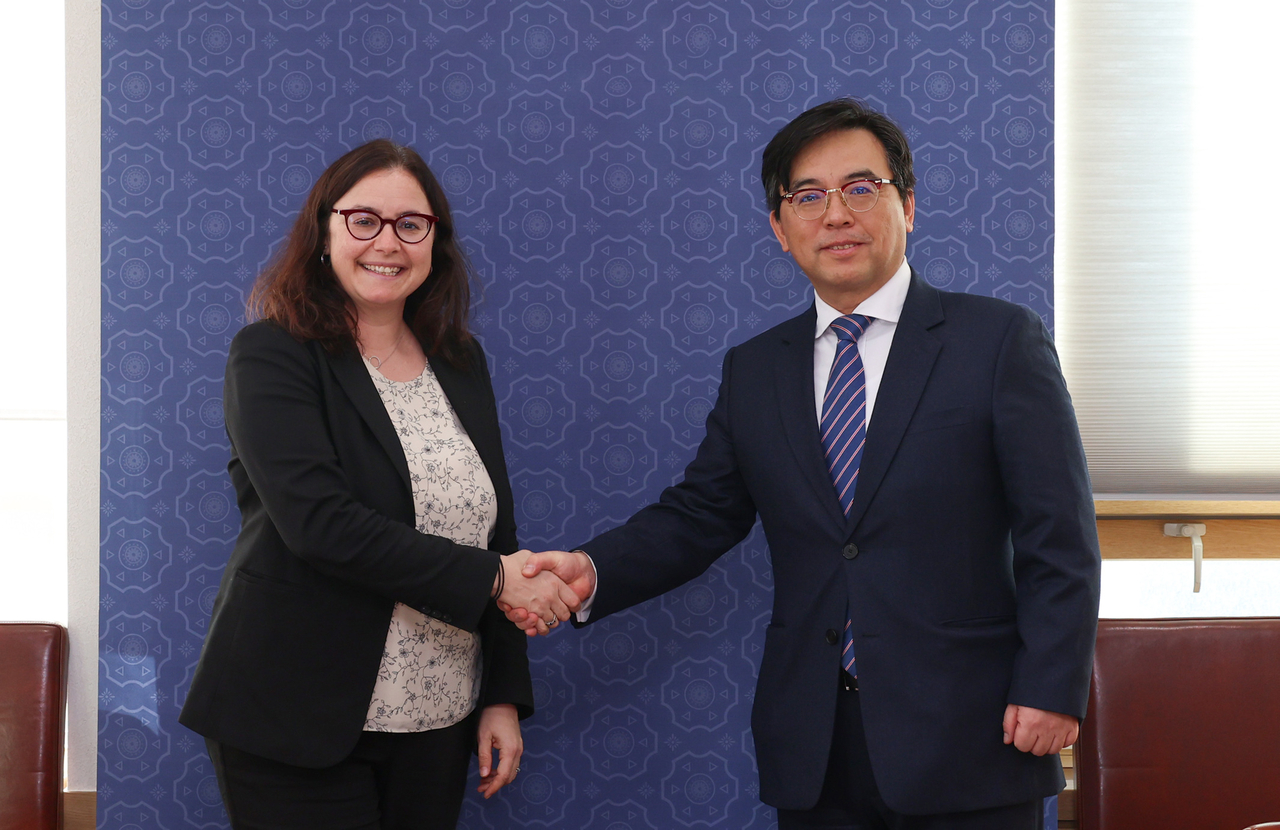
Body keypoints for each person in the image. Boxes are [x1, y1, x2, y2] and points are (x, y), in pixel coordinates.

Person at [507, 100, 1101, 829]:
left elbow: (1060, 535)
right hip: (814, 744)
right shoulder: (757, 369)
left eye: (861, 188)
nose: (836, 214)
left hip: (970, 735)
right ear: (780, 229)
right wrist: (590, 571)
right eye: (808, 196)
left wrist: (1051, 686)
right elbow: (701, 514)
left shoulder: (999, 341)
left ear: (907, 205)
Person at [179, 139, 581, 830]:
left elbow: (494, 529)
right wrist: (495, 579)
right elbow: (322, 526)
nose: (386, 242)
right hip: (296, 717)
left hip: (438, 718)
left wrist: (502, 695)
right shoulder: (272, 355)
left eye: (411, 225)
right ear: (325, 231)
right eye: (363, 219)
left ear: (435, 242)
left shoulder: (459, 360)